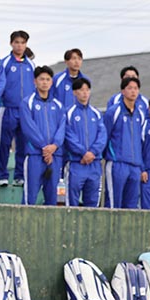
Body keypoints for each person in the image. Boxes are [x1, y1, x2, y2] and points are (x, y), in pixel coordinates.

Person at [19, 65, 65, 206]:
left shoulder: (58, 105)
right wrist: (45, 148)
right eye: (41, 79)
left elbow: (62, 128)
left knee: (53, 198)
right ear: (35, 81)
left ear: (51, 82)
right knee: (30, 196)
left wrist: (54, 146)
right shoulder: (27, 102)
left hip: (55, 156)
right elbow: (29, 128)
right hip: (35, 154)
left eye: (47, 79)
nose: (45, 82)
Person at [0, 30, 34, 187]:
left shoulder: (31, 64)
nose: (20, 46)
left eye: (23, 43)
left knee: (23, 144)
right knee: (4, 143)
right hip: (8, 108)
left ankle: (20, 175)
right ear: (11, 44)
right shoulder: (4, 63)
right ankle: (2, 175)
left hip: (24, 111)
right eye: (17, 42)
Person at [104, 75, 148, 209]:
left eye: (136, 88)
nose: (133, 91)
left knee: (131, 206)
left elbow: (141, 142)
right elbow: (105, 136)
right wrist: (108, 157)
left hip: (135, 166)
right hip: (117, 163)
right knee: (114, 204)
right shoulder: (114, 111)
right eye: (130, 88)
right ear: (123, 91)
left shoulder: (141, 114)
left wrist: (142, 167)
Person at [63, 77, 106, 207]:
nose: (85, 93)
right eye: (81, 90)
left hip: (94, 163)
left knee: (93, 202)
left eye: (87, 90)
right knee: (72, 202)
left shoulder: (96, 113)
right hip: (76, 163)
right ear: (74, 92)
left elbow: (102, 135)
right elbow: (68, 135)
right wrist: (83, 153)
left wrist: (92, 153)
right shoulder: (68, 113)